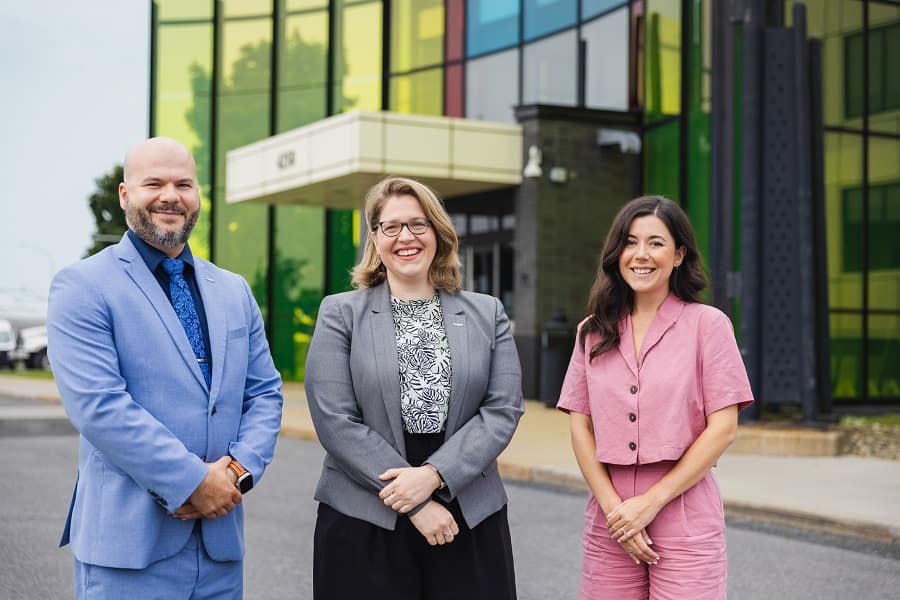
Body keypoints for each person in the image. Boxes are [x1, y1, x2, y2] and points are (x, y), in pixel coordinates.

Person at [47, 137, 284, 599]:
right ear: (124, 194)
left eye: (184, 184)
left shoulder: (234, 290)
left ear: (198, 196)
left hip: (220, 552)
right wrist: (193, 482)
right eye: (153, 182)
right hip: (128, 553)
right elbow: (100, 407)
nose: (170, 195)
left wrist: (233, 475)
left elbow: (265, 395)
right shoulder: (82, 286)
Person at [304, 176, 524, 600]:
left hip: (467, 512)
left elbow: (503, 409)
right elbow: (334, 418)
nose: (406, 237)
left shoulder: (487, 312)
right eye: (392, 227)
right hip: (362, 514)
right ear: (375, 238)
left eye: (418, 225)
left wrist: (434, 477)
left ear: (438, 233)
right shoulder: (340, 313)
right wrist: (418, 503)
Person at [557, 195, 753, 599]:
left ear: (679, 255)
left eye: (656, 243)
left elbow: (724, 428)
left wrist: (650, 502)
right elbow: (580, 428)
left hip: (683, 506)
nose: (640, 254)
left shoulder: (708, 326)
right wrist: (616, 511)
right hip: (609, 512)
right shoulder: (591, 331)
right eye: (630, 242)